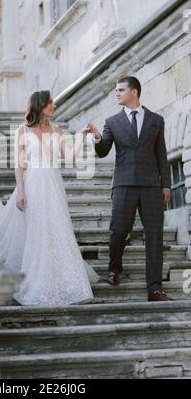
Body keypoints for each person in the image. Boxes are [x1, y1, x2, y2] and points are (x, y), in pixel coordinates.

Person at [0, 90, 99, 306]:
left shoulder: (57, 131)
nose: (54, 106)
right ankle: (38, 280)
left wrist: (83, 135)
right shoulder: (23, 130)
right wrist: (20, 191)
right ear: (41, 106)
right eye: (50, 103)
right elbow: (19, 165)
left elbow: (72, 157)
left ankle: (66, 279)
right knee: (38, 229)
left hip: (53, 184)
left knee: (57, 228)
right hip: (33, 183)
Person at [87, 76, 172, 302]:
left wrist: (166, 184)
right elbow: (104, 150)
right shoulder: (112, 121)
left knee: (154, 235)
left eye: (121, 90)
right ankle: (114, 269)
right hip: (124, 184)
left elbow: (161, 155)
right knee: (118, 231)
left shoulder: (156, 120)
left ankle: (154, 288)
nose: (117, 93)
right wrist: (96, 136)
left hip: (151, 186)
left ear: (134, 92)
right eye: (116, 90)